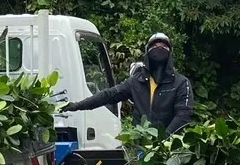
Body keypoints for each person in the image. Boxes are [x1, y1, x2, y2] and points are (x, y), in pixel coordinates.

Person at [62, 33, 194, 134]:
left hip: (169, 149)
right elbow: (108, 95)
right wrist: (77, 106)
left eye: (164, 46)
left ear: (170, 54)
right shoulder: (136, 81)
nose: (159, 48)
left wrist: (164, 139)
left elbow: (183, 115)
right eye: (154, 46)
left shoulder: (181, 83)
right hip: (141, 146)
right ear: (147, 52)